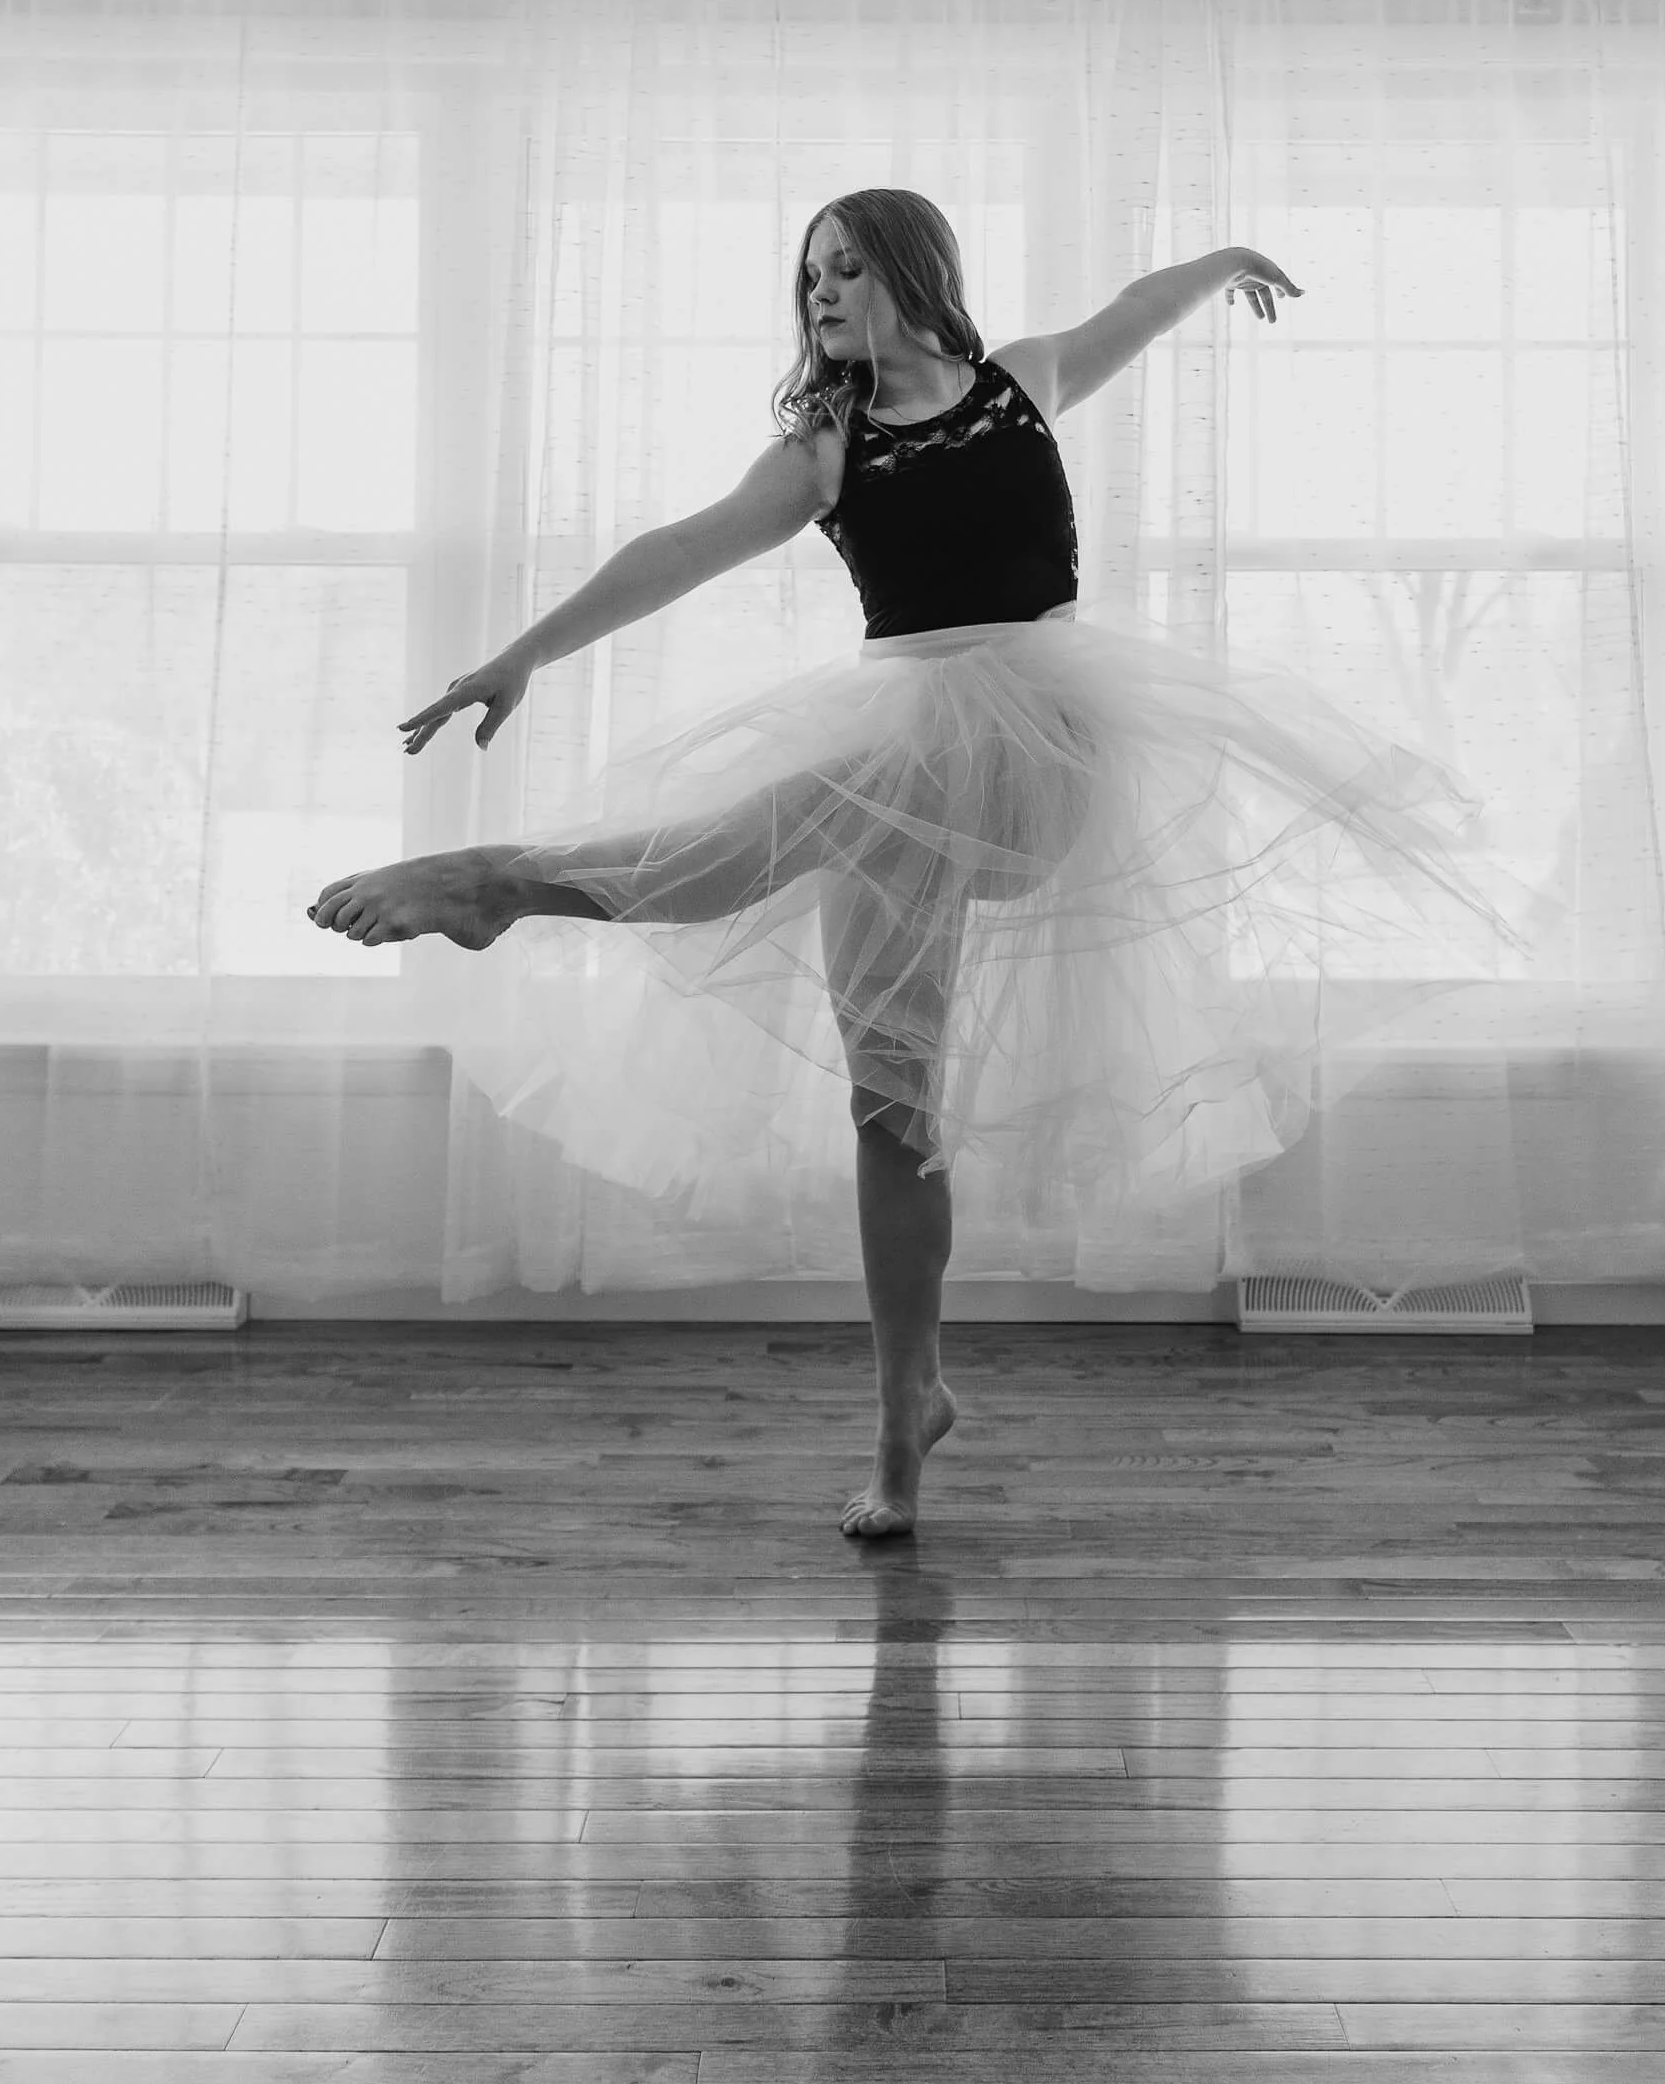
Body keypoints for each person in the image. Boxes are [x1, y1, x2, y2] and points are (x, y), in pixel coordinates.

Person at [309, 187, 1516, 1537]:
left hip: (1037, 753)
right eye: (808, 275)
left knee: (812, 812)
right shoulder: (823, 450)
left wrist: (1223, 259)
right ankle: (905, 1415)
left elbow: (1137, 309)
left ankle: (507, 885)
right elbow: (676, 555)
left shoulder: (1021, 383)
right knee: (894, 1109)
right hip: (892, 758)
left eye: (844, 268)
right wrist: (521, 652)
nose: (821, 292)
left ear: (908, 271)